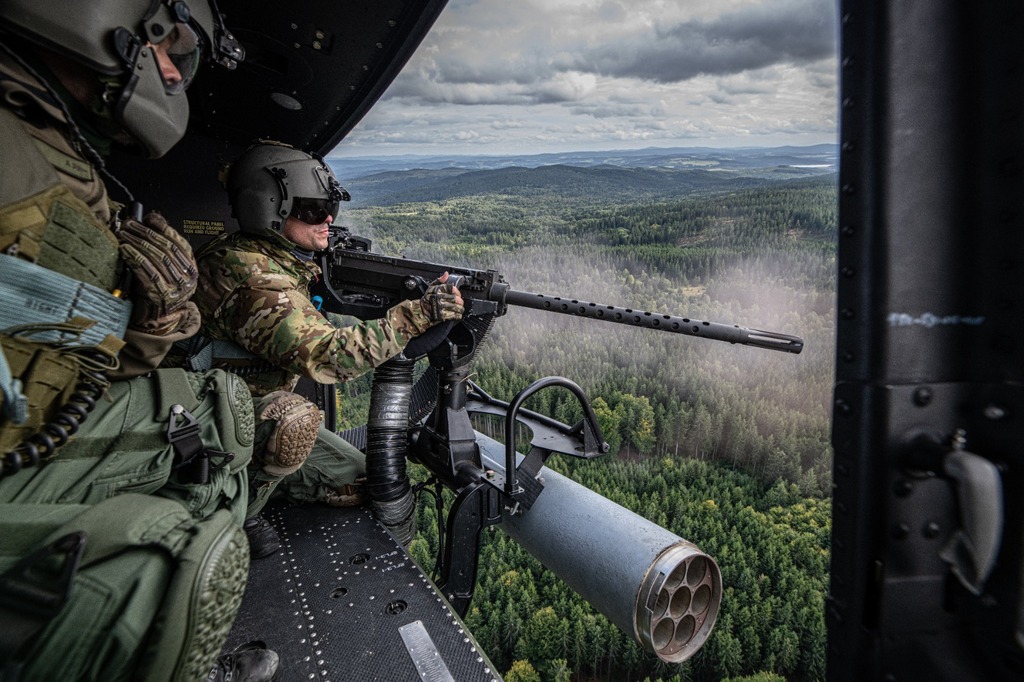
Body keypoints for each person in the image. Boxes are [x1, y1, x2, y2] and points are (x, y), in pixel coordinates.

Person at [0, 2, 277, 679]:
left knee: (221, 411)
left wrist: (151, 324)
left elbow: (64, 360)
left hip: (25, 430)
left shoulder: (51, 149)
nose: (172, 72)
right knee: (157, 559)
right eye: (173, 46)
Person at [186, 141, 464, 557]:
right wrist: (414, 316)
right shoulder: (250, 275)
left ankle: (256, 477)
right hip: (206, 423)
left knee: (357, 479)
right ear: (270, 208)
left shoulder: (276, 259)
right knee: (293, 422)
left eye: (331, 206)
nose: (328, 219)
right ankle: (229, 508)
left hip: (244, 413)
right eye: (314, 208)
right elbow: (329, 356)